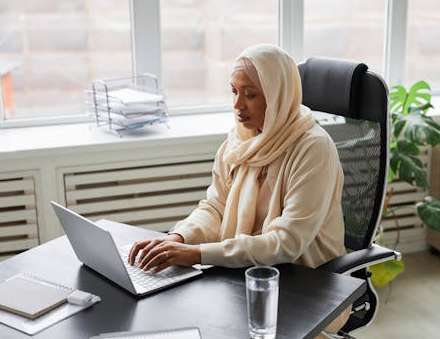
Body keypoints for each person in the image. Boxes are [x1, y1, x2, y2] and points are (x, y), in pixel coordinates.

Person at [128, 44, 349, 334]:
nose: (237, 105)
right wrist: (178, 238)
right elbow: (215, 207)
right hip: (243, 275)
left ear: (277, 94)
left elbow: (287, 242)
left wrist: (196, 253)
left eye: (251, 94)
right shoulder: (239, 142)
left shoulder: (313, 148)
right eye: (234, 91)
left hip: (305, 286)